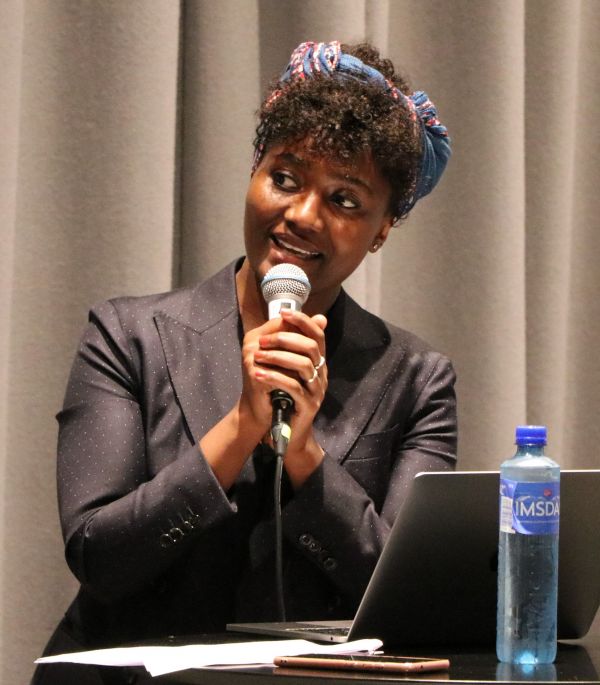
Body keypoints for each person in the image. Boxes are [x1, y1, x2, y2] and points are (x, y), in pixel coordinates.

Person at [32, 40, 456, 683]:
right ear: (255, 171)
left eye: (344, 199)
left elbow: (407, 597)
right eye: (285, 178)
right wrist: (240, 427)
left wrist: (305, 455)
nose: (302, 215)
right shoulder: (126, 336)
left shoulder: (416, 378)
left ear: (381, 229)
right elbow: (99, 557)